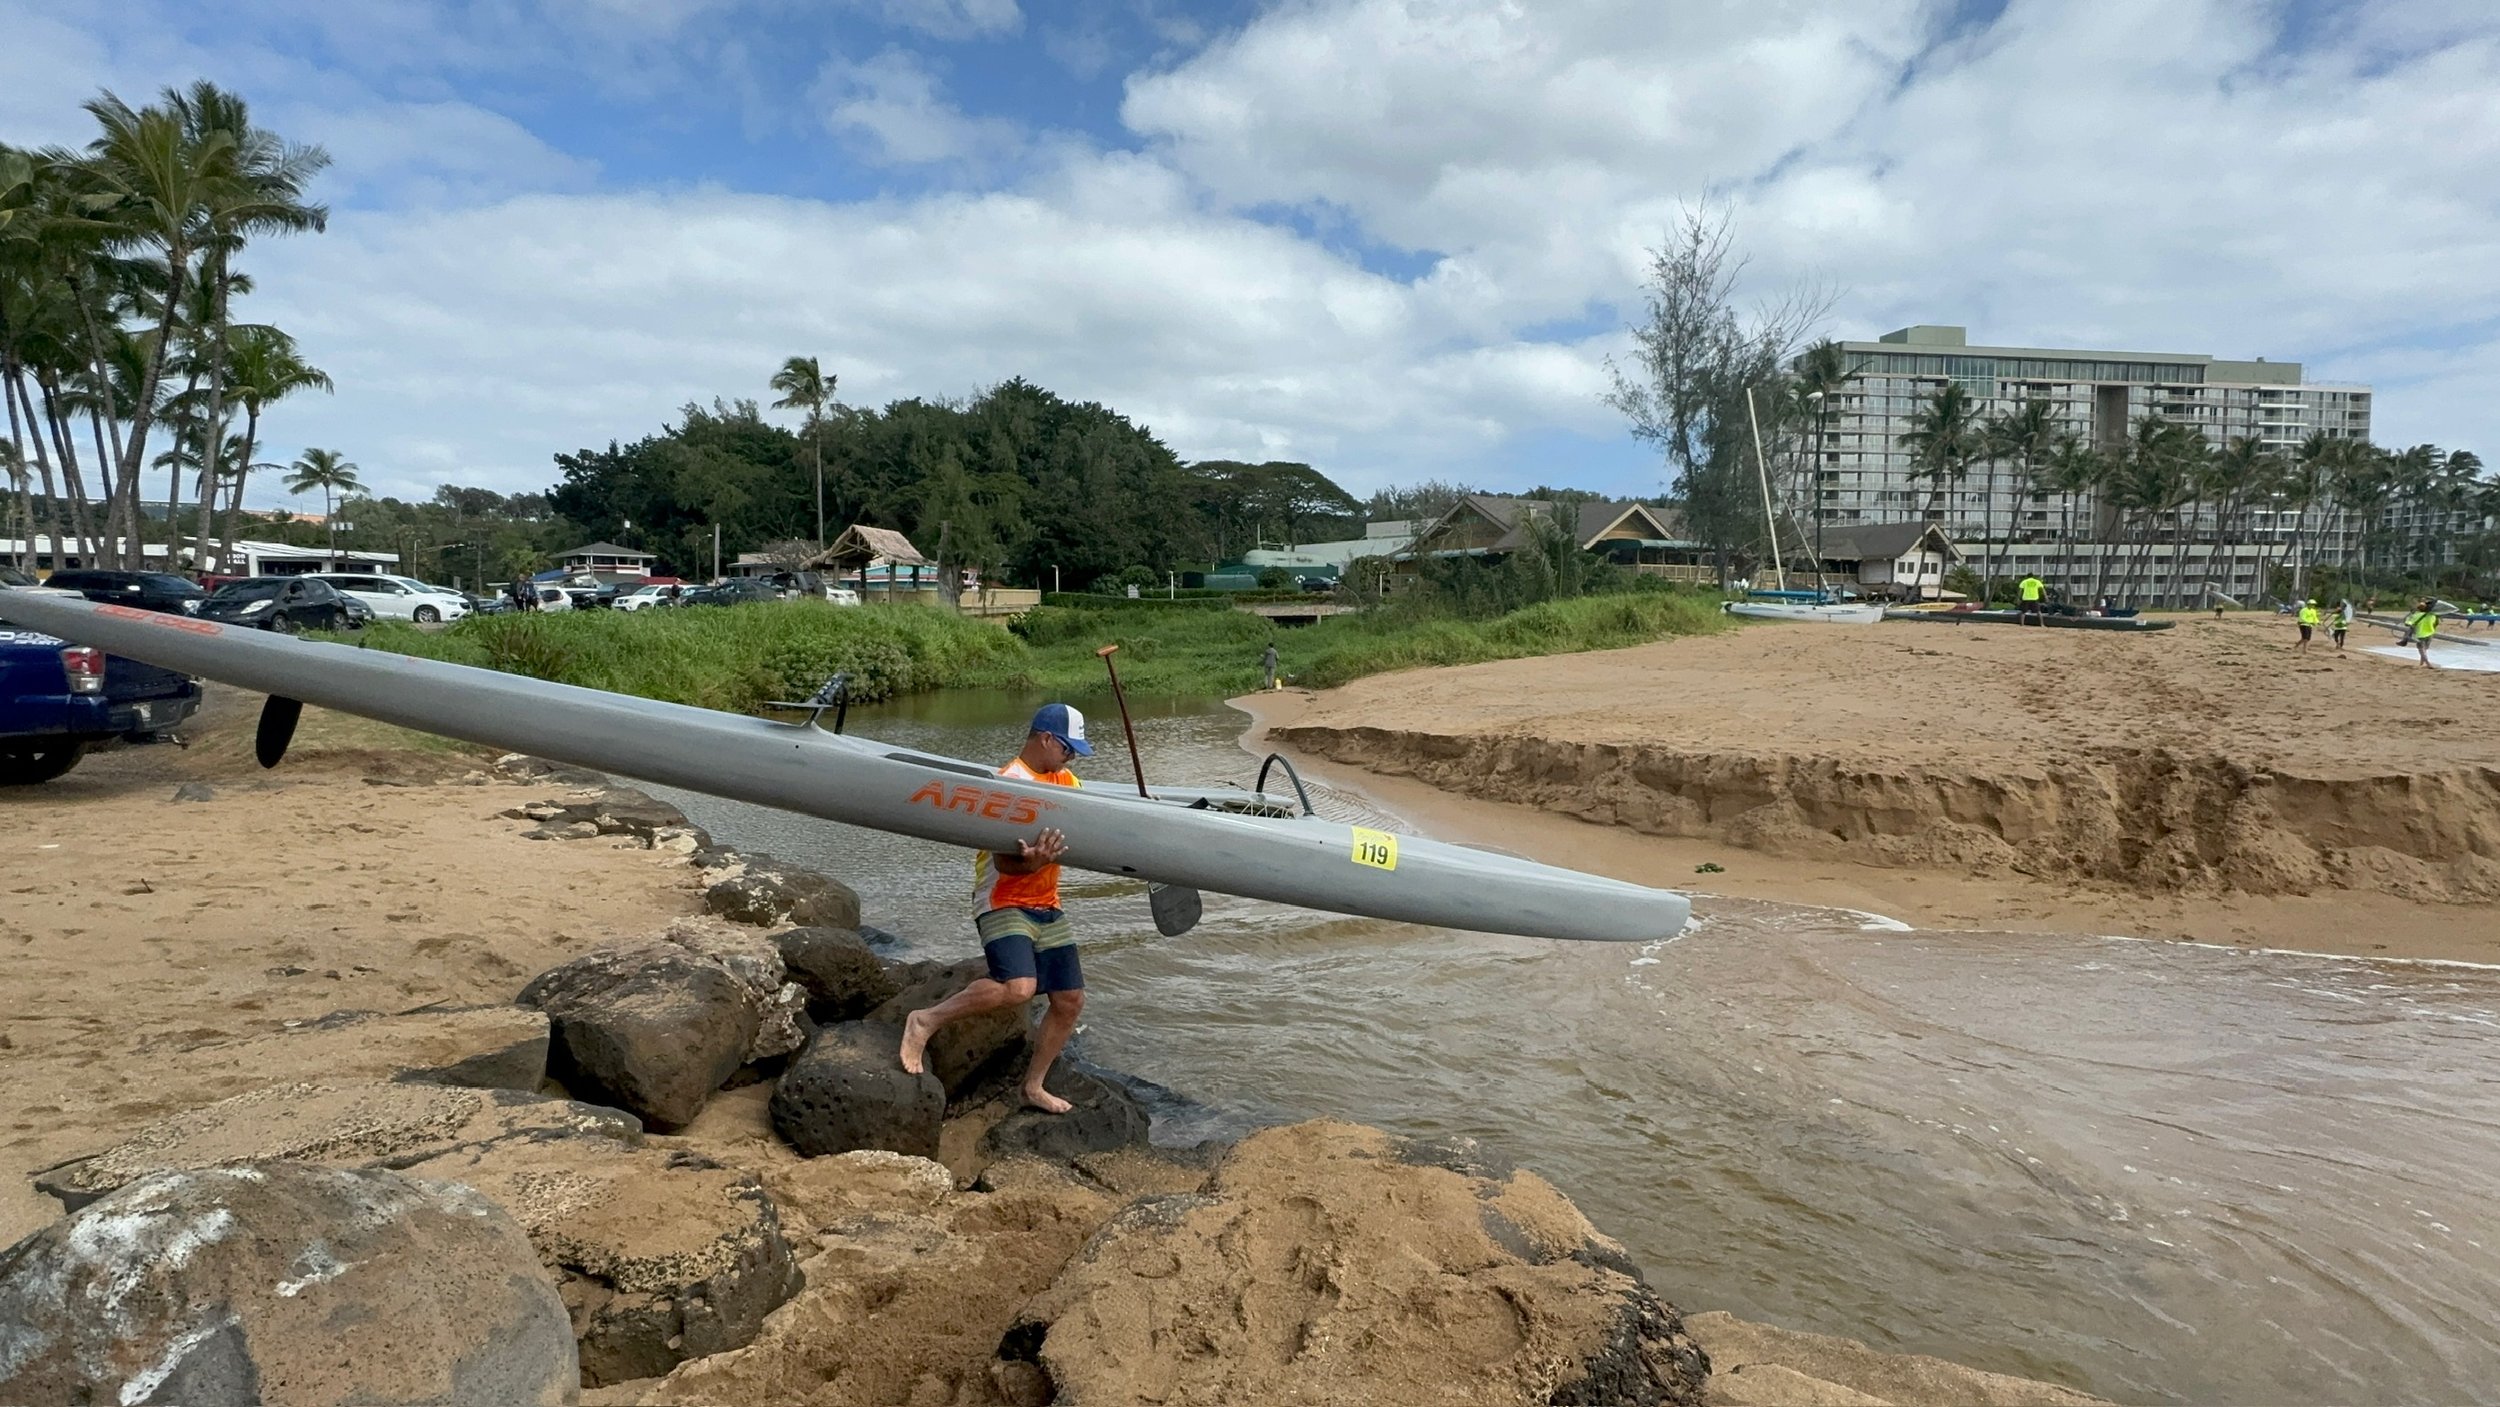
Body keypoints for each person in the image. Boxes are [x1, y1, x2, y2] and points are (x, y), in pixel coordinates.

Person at [899, 703, 1095, 1113]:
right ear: (1045, 739)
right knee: (1018, 987)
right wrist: (1035, 861)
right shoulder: (1008, 785)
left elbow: (1082, 830)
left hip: (1047, 903)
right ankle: (925, 1021)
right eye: (1068, 747)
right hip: (1003, 899)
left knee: (1070, 999)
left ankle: (1033, 1087)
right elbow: (1006, 862)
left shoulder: (1067, 780)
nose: (1072, 757)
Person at [2402, 599, 2440, 668]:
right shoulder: (2432, 615)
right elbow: (2436, 623)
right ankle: (2422, 663)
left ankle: (2427, 663)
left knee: (2421, 649)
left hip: (2420, 634)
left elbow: (2407, 624)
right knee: (2425, 649)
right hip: (2430, 633)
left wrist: (2409, 619)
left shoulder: (2416, 615)